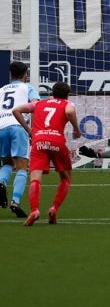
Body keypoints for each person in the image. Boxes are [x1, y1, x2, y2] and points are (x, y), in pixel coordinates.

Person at [12, 81, 82, 226]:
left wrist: (29, 129)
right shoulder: (66, 104)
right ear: (67, 95)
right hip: (57, 141)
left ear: (52, 93)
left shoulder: (38, 104)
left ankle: (34, 210)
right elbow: (69, 112)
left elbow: (16, 110)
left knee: (35, 177)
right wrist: (76, 128)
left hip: (38, 142)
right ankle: (54, 208)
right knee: (66, 178)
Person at [0, 61, 40, 218]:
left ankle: (2, 182)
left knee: (7, 162)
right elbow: (35, 106)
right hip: (18, 126)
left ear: (10, 75)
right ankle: (15, 201)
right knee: (22, 166)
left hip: (1, 126)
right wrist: (32, 130)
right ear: (26, 75)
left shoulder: (2, 89)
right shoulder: (27, 87)